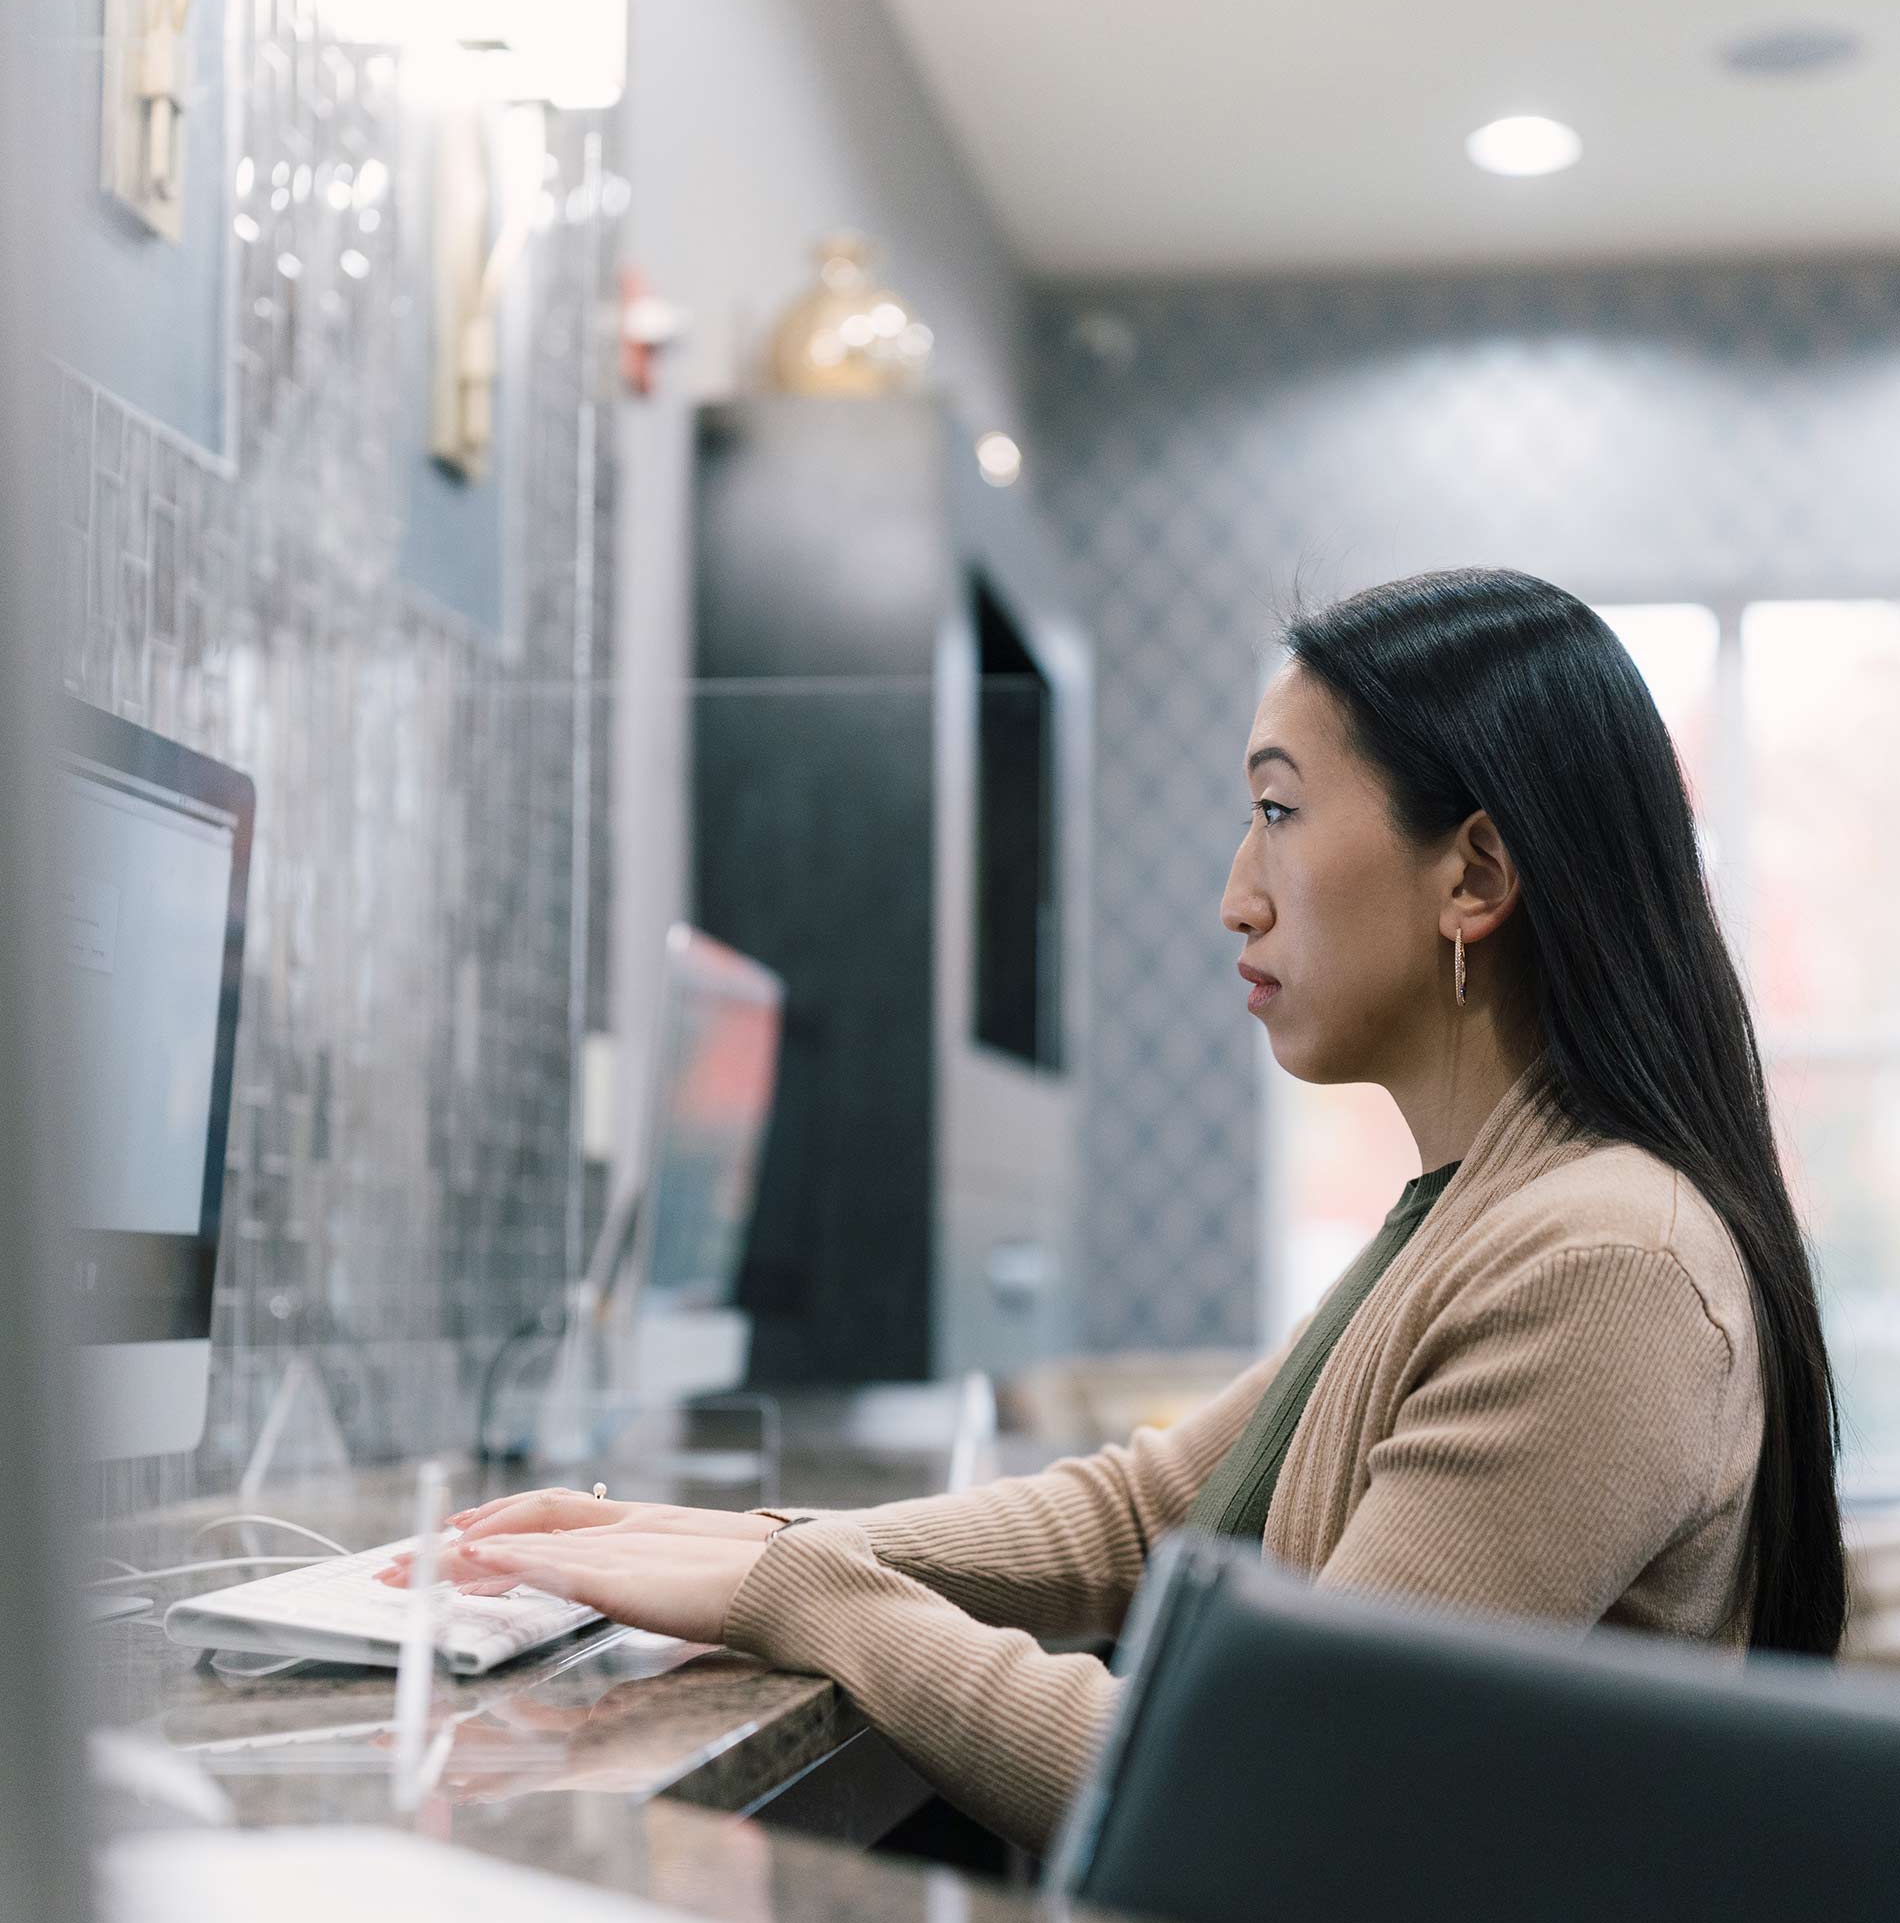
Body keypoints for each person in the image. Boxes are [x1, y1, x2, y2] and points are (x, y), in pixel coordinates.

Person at [398, 568, 1846, 1852]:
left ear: (1472, 873)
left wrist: (818, 1593)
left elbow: (1262, 1794)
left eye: (1279, 812)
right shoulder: (1491, 1209)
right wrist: (726, 1543)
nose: (1236, 895)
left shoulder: (1603, 1264)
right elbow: (1153, 1515)